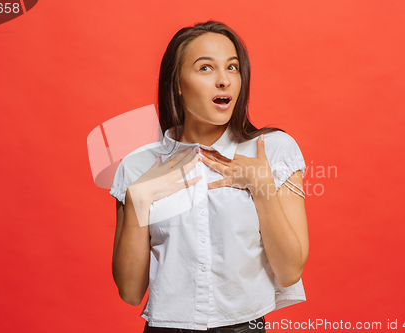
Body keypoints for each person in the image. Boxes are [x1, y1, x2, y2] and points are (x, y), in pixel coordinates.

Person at [110, 20, 309, 333]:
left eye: (232, 68)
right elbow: (130, 292)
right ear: (176, 82)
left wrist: (262, 187)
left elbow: (289, 272)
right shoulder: (137, 165)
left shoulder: (273, 150)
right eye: (205, 68)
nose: (223, 80)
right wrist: (138, 200)